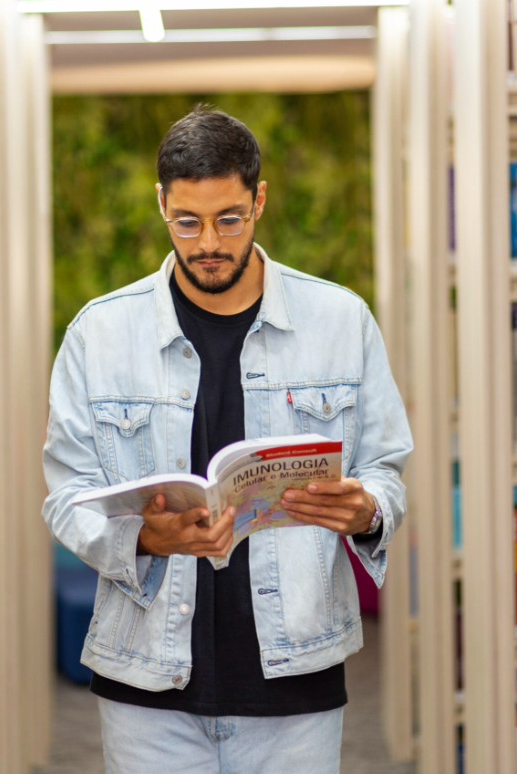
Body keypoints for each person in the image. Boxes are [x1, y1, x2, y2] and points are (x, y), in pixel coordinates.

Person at [42, 106, 413, 773]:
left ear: (258, 200)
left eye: (228, 219)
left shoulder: (339, 320)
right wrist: (147, 538)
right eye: (186, 221)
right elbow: (65, 497)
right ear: (160, 205)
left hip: (294, 679)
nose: (207, 241)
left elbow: (384, 466)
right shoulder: (98, 334)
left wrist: (366, 511)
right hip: (145, 685)